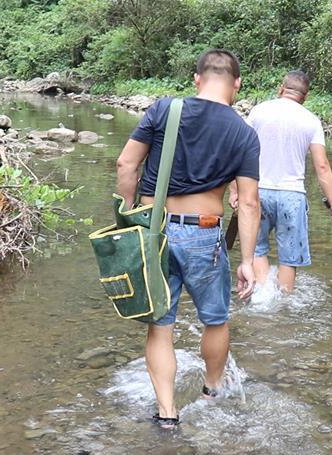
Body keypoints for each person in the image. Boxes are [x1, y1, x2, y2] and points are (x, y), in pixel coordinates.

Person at [115, 49, 261, 429]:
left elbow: (126, 164)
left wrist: (128, 216)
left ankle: (166, 413)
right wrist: (247, 260)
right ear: (237, 85)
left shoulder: (164, 109)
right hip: (203, 231)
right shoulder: (244, 133)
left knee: (161, 325)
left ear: (197, 79)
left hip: (154, 230)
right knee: (215, 320)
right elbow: (248, 202)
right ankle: (212, 392)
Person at [237, 70, 332, 293]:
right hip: (292, 195)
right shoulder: (311, 120)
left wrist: (236, 190)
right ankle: (284, 302)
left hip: (258, 191)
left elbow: (241, 152)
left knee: (256, 250)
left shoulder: (259, 111)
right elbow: (322, 166)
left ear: (281, 89)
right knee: (289, 256)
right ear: (305, 97)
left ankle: (263, 297)